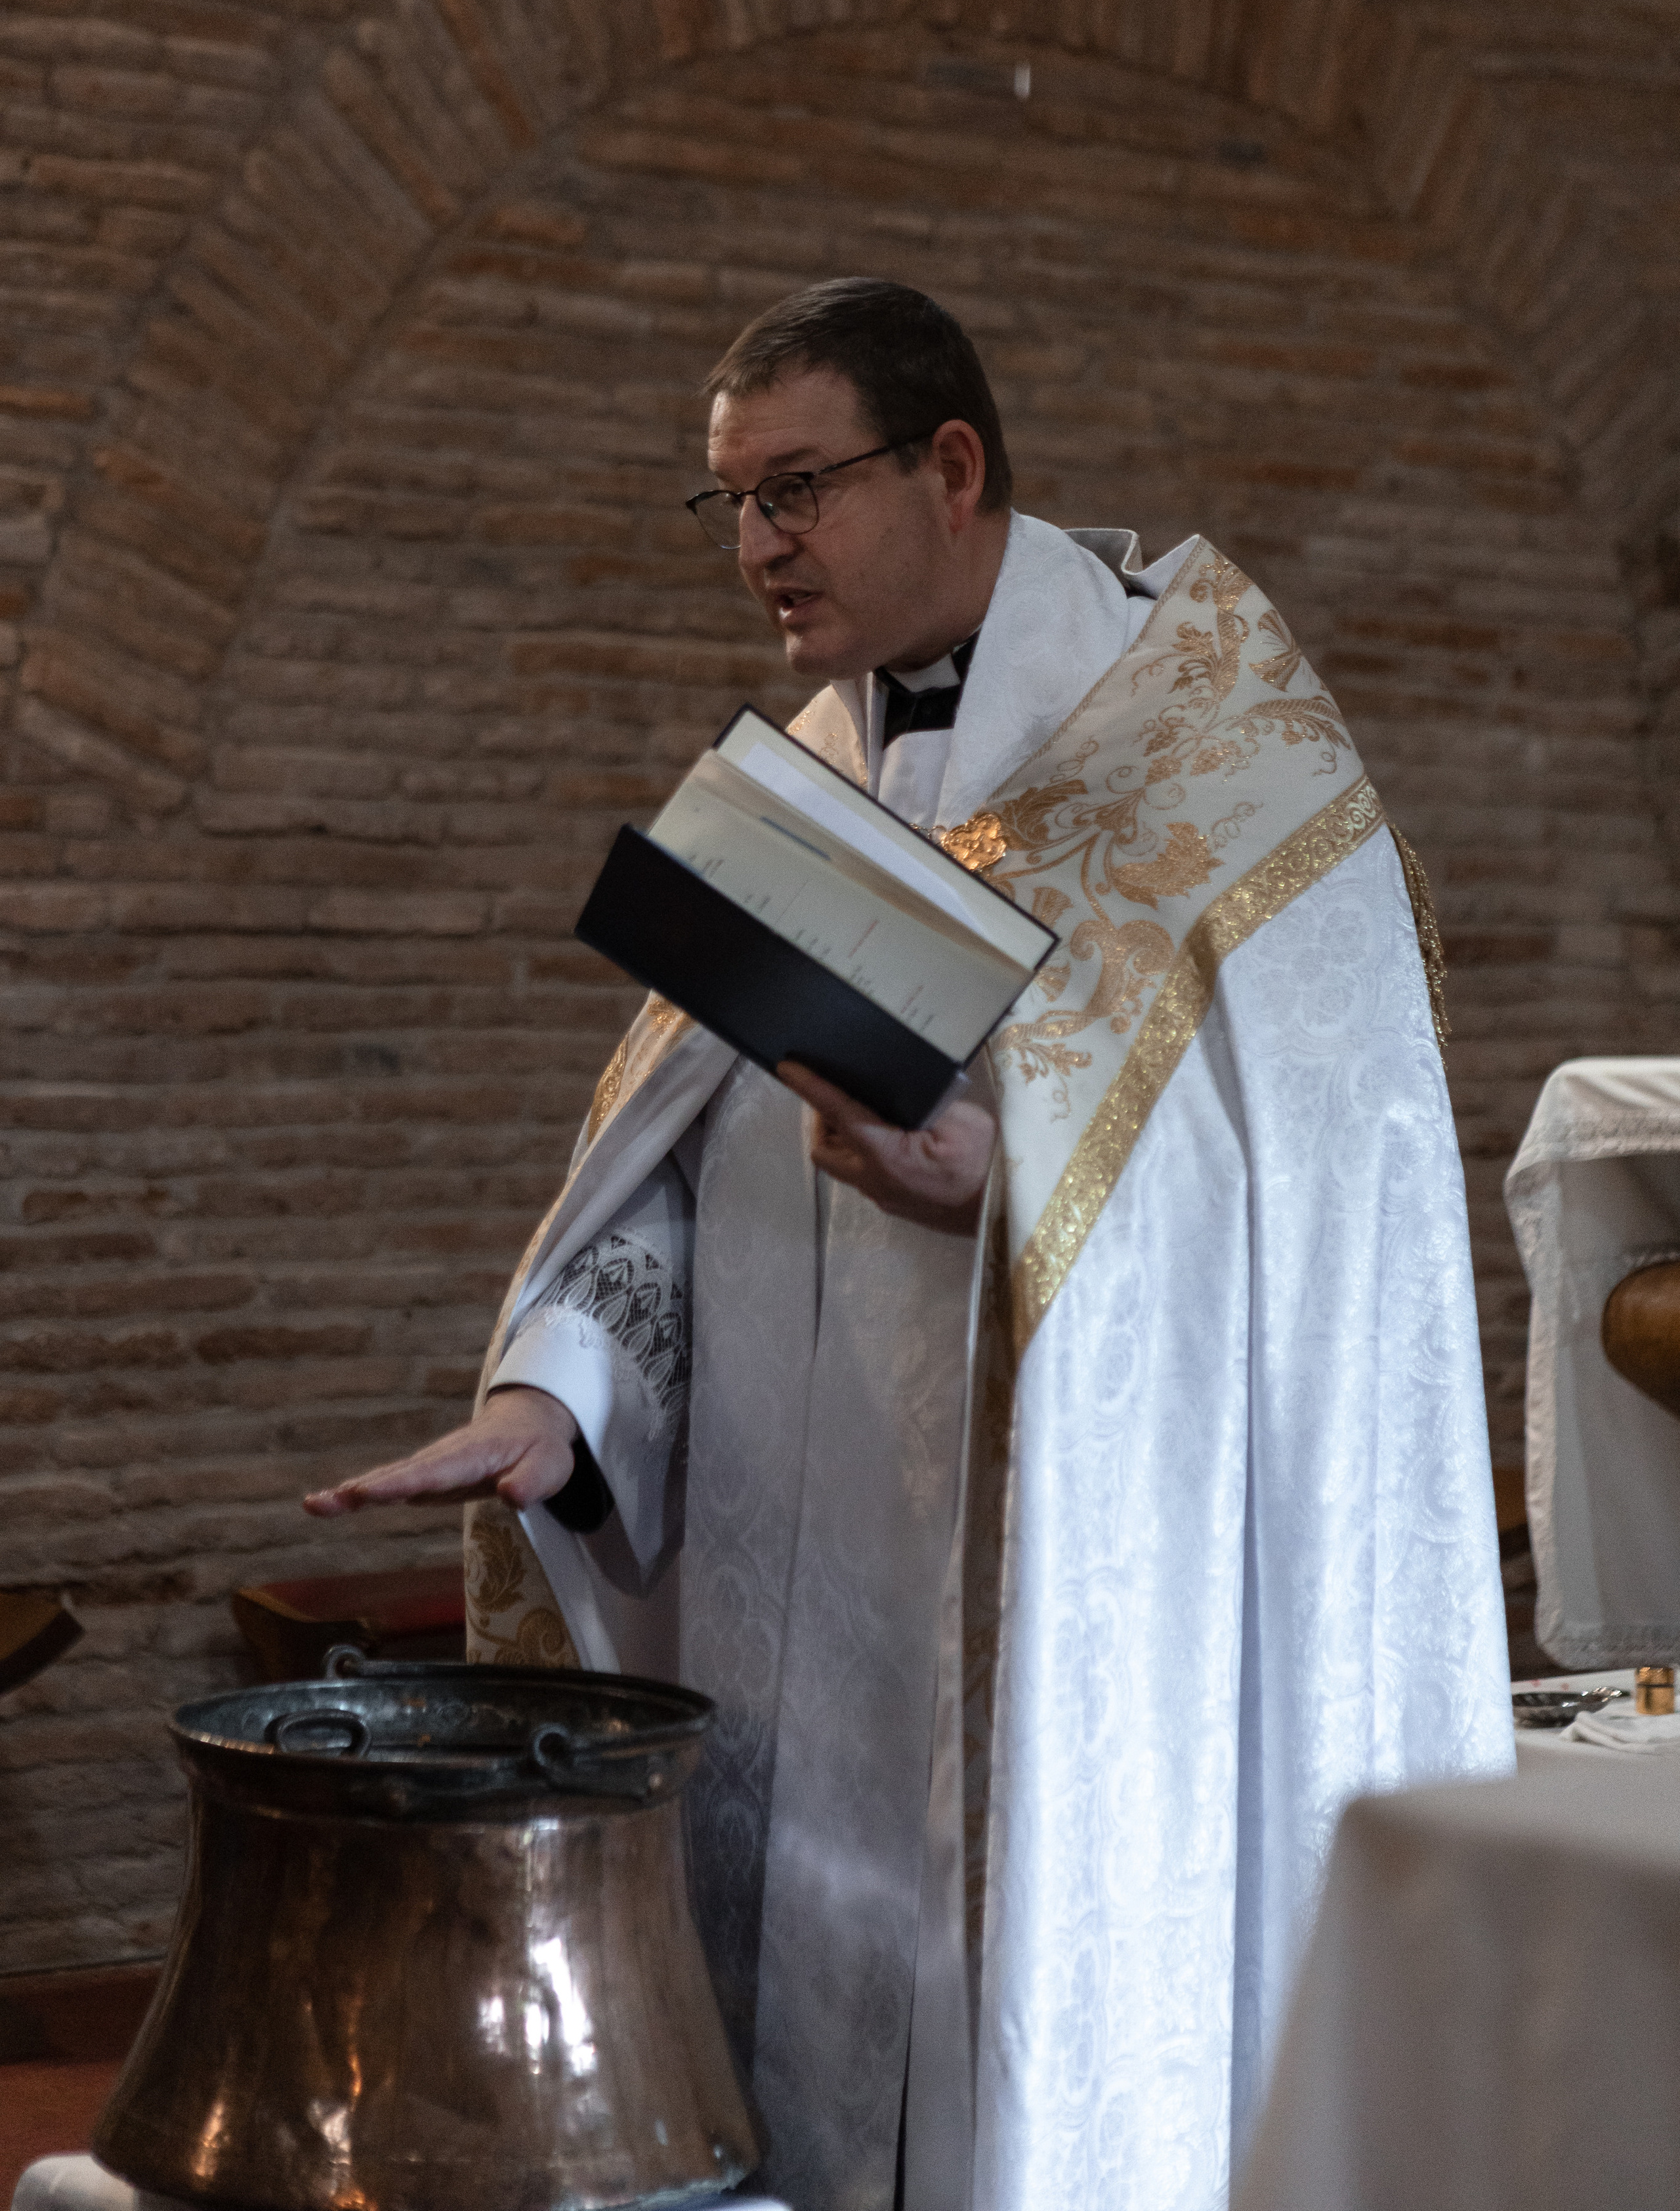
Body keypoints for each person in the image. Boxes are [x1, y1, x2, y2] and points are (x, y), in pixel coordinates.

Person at [305, 278, 1513, 2211]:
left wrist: (1007, 1187)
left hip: (1068, 1607)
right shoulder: (807, 784)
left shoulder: (1229, 767)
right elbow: (670, 1175)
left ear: (950, 467)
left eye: (796, 489)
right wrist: (563, 1399)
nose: (760, 546)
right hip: (800, 1619)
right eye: (731, 505)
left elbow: (1314, 1213)